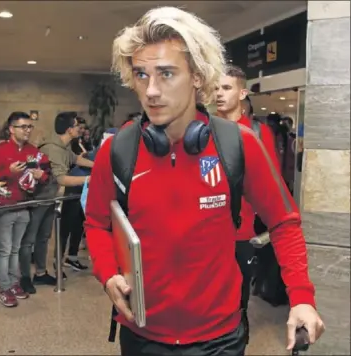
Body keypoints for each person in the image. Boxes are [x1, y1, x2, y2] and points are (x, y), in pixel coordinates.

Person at [84, 6, 324, 356]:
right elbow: (96, 223)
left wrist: (301, 297)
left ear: (197, 76)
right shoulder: (118, 149)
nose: (151, 90)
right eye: (141, 74)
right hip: (142, 334)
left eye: (166, 74)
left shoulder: (237, 144)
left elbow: (284, 222)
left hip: (220, 338)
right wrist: (107, 274)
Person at [215, 65, 284, 339]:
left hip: (241, 231)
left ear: (242, 92)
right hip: (207, 229)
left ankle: (234, 338)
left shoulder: (257, 132)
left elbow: (271, 185)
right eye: (216, 88)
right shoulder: (203, 130)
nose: (219, 94)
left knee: (238, 295)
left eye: (227, 88)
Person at [0, 112, 50, 307]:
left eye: (30, 127)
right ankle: (4, 287)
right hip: (3, 206)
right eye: (23, 127)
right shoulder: (0, 150)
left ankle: (14, 283)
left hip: (23, 205)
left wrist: (42, 175)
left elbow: (45, 173)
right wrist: (9, 172)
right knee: (4, 249)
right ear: (11, 129)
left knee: (15, 249)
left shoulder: (33, 151)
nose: (27, 130)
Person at [29, 112, 93, 288]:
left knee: (43, 237)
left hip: (50, 198)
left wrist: (98, 167)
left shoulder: (64, 147)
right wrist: (90, 179)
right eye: (76, 125)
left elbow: (77, 159)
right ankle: (22, 278)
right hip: (39, 198)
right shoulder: (52, 148)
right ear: (69, 129)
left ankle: (41, 273)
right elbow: (61, 179)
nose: (79, 129)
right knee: (30, 239)